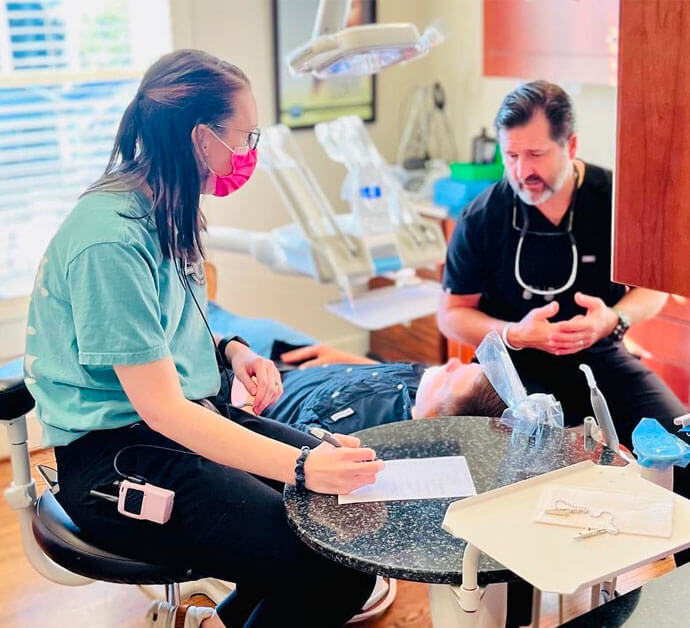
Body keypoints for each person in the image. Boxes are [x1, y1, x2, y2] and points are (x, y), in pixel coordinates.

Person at [23, 50, 385, 628]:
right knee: (334, 563)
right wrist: (300, 467)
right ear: (201, 139)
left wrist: (230, 350)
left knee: (345, 522)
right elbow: (161, 407)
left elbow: (164, 326)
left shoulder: (166, 207)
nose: (249, 153)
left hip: (180, 425)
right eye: (246, 136)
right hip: (117, 460)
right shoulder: (109, 240)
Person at [438, 80, 689, 564]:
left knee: (683, 452)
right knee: (506, 482)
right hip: (515, 372)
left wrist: (612, 320)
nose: (521, 171)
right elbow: (452, 315)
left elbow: (654, 287)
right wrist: (515, 333)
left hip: (600, 359)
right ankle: (503, 592)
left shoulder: (616, 200)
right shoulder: (484, 216)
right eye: (510, 156)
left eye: (534, 155)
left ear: (570, 145)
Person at [222, 342, 507, 433]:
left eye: (451, 375)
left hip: (249, 391)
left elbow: (292, 444)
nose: (452, 362)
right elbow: (394, 372)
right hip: (299, 367)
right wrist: (345, 358)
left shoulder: (364, 427)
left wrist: (244, 408)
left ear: (437, 421)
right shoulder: (422, 385)